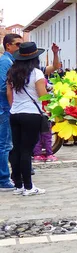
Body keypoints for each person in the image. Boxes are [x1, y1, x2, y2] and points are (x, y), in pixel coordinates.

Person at [7, 42, 48, 196]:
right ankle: (29, 187)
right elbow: (42, 95)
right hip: (31, 114)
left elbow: (9, 94)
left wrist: (14, 107)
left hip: (15, 113)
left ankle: (18, 185)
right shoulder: (37, 73)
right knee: (26, 151)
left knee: (16, 149)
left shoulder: (12, 72)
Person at [0, 33, 22, 191]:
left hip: (7, 107)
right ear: (8, 45)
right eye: (18, 44)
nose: (20, 48)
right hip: (4, 108)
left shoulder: (11, 62)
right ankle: (3, 179)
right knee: (4, 144)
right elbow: (2, 86)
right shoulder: (5, 62)